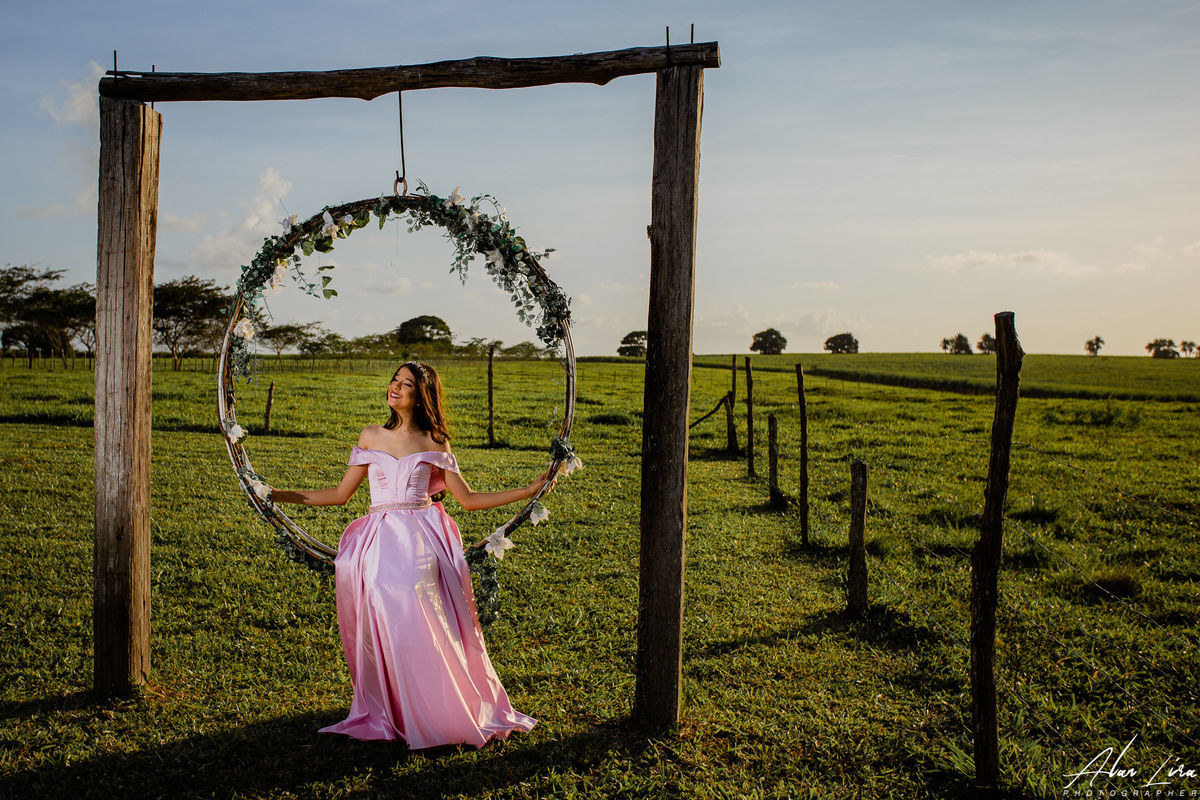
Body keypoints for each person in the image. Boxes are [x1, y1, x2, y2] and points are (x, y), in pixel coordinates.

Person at [271, 361, 550, 748]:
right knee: (384, 607)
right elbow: (338, 495)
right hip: (379, 537)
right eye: (394, 381)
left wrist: (525, 491)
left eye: (407, 385)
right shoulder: (370, 435)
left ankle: (437, 706)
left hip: (421, 537)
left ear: (422, 396)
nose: (396, 388)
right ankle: (395, 707)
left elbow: (467, 500)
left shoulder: (435, 440)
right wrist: (276, 494)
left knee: (420, 611)